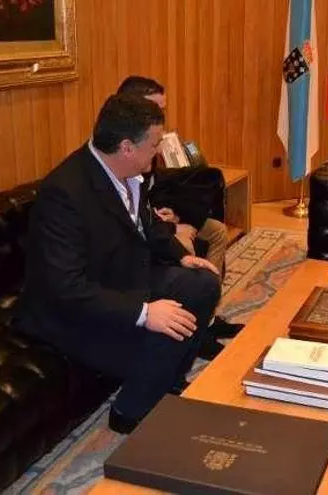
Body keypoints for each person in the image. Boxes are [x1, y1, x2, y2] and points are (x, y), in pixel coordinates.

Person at [16, 94, 222, 434]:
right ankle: (129, 413)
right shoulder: (64, 194)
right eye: (154, 144)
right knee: (163, 325)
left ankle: (167, 383)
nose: (158, 150)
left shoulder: (126, 172)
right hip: (72, 309)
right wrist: (144, 312)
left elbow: (146, 225)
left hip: (120, 278)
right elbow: (65, 288)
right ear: (127, 147)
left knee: (202, 284)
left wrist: (181, 255)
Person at [116, 75, 243, 339]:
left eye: (163, 110)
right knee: (185, 243)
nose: (161, 118)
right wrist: (171, 227)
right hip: (148, 233)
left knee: (217, 230)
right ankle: (192, 329)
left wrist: (175, 215)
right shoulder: (124, 149)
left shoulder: (151, 143)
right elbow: (130, 213)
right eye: (155, 109)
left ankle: (206, 317)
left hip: (160, 216)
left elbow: (155, 189)